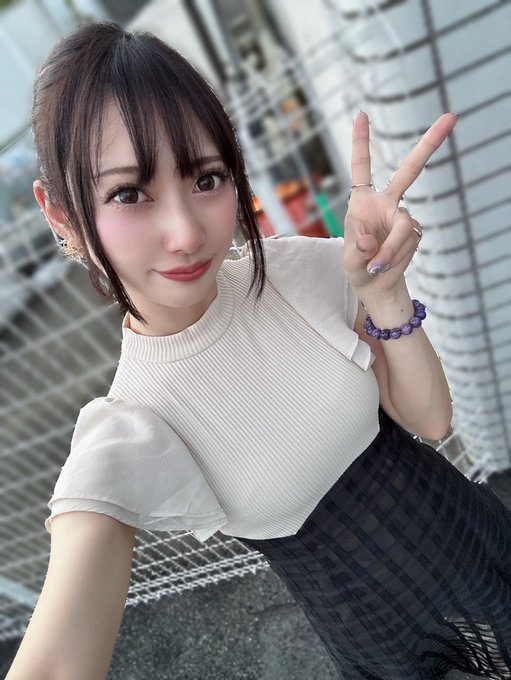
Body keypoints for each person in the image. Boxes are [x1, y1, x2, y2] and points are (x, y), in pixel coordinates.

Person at [6, 21, 511, 680]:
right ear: (62, 215)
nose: (186, 233)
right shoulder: (132, 427)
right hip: (380, 641)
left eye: (206, 178)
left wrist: (385, 296)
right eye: (129, 193)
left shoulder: (302, 271)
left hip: (478, 541)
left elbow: (432, 422)